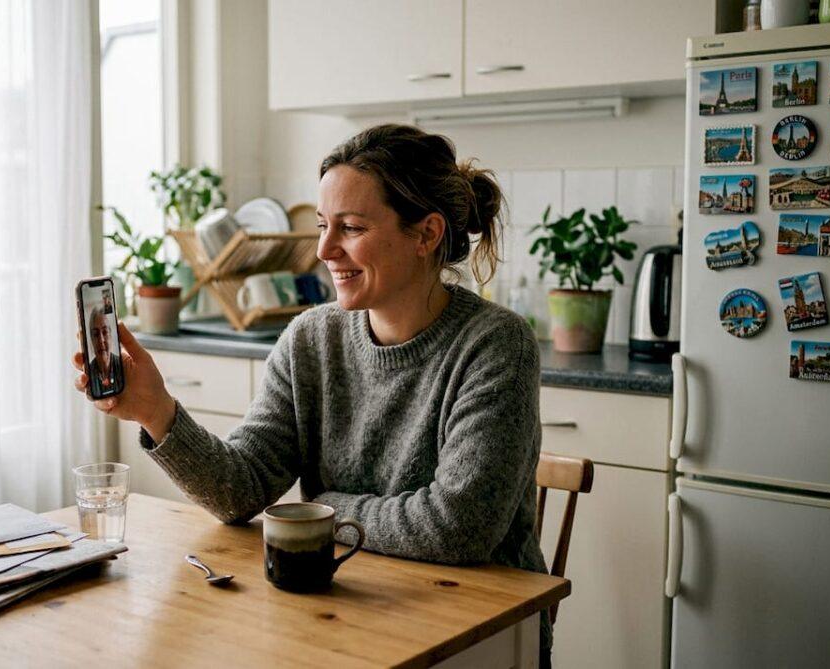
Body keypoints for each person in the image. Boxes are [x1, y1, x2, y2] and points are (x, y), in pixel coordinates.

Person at [73, 124, 551, 661]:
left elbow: (459, 528)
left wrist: (324, 510)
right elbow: (241, 490)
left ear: (426, 234)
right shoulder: (311, 338)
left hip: (483, 632)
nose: (324, 249)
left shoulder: (495, 344)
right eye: (324, 225)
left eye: (350, 227)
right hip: (347, 611)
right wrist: (156, 411)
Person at [86, 306, 121, 397]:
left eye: (105, 332)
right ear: (91, 340)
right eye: (96, 334)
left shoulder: (122, 365)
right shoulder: (89, 372)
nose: (101, 340)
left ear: (111, 336)